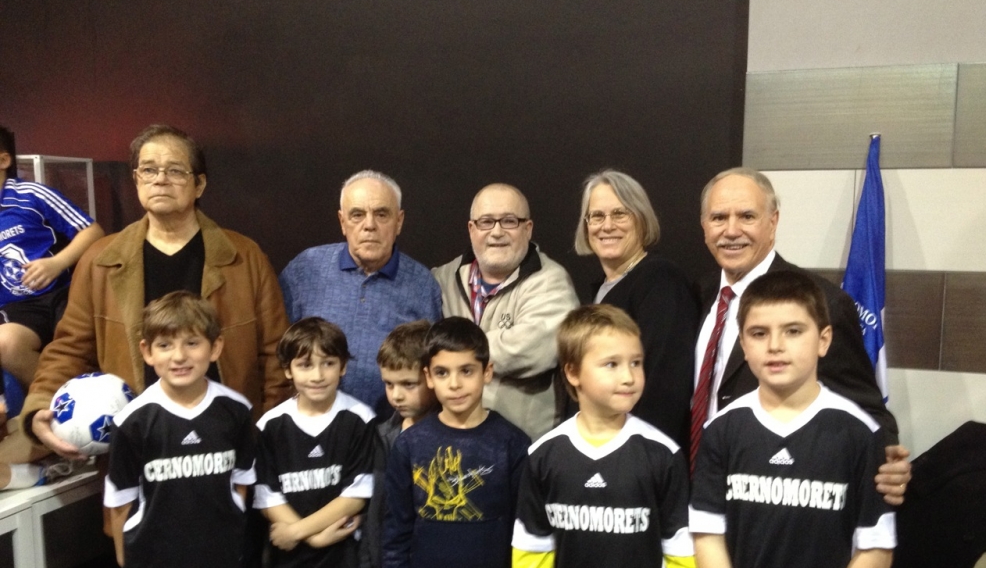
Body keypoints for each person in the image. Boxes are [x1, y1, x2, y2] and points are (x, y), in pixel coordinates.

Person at [6, 123, 288, 481]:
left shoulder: (244, 258)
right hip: (139, 458)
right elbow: (69, 350)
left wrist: (266, 431)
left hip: (229, 453)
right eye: (149, 170)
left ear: (199, 184)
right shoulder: (99, 260)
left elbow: (276, 356)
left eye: (175, 170)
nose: (160, 179)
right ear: (137, 179)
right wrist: (39, 408)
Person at [690, 271, 895, 568]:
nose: (775, 346)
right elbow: (707, 540)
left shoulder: (860, 434)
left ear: (824, 340)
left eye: (793, 331)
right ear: (743, 345)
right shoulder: (723, 431)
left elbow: (876, 550)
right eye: (759, 334)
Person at [512, 304, 703, 568]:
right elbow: (530, 560)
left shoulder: (661, 456)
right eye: (612, 364)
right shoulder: (545, 456)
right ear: (573, 372)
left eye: (636, 362)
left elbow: (684, 566)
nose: (629, 376)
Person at [694, 168, 911, 502]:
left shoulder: (821, 303)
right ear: (704, 226)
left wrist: (886, 462)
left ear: (773, 221)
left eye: (747, 216)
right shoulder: (698, 295)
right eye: (719, 217)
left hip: (780, 495)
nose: (731, 230)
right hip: (702, 491)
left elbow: (866, 407)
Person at [104, 292, 258, 568]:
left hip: (219, 567)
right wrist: (129, 565)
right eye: (166, 345)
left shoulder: (235, 412)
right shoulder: (134, 421)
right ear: (147, 352)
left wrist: (227, 539)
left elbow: (242, 485)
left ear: (216, 347)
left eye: (192, 343)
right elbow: (119, 502)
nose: (180, 356)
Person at [382, 317, 529, 568]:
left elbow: (527, 537)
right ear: (428, 377)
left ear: (487, 371)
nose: (456, 384)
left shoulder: (513, 444)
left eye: (467, 371)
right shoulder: (410, 445)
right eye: (443, 373)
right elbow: (395, 531)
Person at [254, 317, 379, 568]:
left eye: (328, 363)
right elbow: (266, 494)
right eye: (305, 365)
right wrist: (309, 538)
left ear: (343, 366)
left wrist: (301, 532)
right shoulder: (270, 426)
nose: (318, 375)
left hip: (343, 567)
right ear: (288, 370)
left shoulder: (359, 419)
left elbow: (358, 493)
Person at [280, 170, 442, 416]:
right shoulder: (305, 269)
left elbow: (434, 366)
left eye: (381, 214)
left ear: (399, 221)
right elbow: (276, 347)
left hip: (390, 433)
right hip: (312, 425)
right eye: (357, 215)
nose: (369, 225)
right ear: (342, 222)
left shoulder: (422, 285)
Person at [434, 183, 578, 441]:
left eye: (509, 221)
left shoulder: (552, 282)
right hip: (451, 441)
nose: (497, 232)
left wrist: (452, 354)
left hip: (524, 450)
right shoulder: (441, 279)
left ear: (528, 228)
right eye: (486, 222)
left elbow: (535, 351)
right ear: (471, 229)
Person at [573, 170, 698, 451]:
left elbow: (664, 388)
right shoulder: (600, 291)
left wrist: (635, 457)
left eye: (620, 214)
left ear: (641, 218)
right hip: (595, 449)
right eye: (597, 216)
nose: (607, 226)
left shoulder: (661, 282)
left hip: (636, 456)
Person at [358, 319, 437, 568]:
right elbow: (375, 511)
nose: (397, 395)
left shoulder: (450, 434)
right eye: (390, 385)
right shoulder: (384, 434)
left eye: (408, 384)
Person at [0, 124, 105, 404]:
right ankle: (64, 406)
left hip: (64, 292)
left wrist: (57, 263)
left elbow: (92, 232)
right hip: (18, 309)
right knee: (5, 344)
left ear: (3, 160)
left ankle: (100, 402)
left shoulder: (31, 195)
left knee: (77, 343)